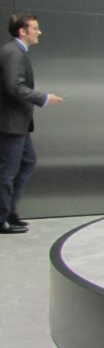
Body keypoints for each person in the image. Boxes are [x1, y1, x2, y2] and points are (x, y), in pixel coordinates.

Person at [0, 14, 64, 234]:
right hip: (10, 123)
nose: (39, 32)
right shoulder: (13, 53)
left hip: (17, 123)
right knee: (7, 172)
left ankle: (8, 211)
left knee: (27, 162)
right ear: (22, 31)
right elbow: (14, 87)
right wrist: (43, 98)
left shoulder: (16, 52)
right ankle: (2, 217)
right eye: (35, 28)